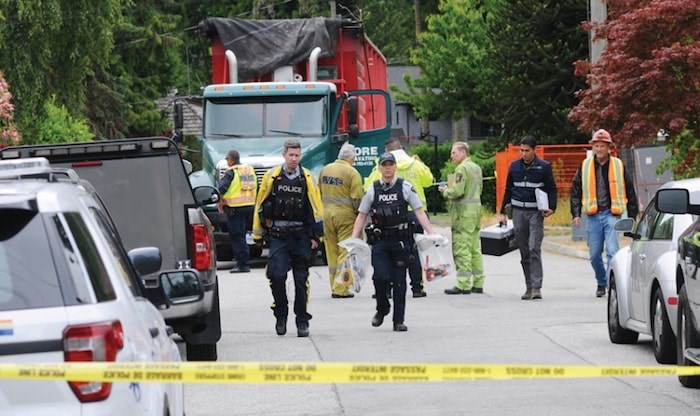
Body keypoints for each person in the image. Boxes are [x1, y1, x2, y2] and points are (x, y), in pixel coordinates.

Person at [352, 153, 437, 332]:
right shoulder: (373, 189)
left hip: (400, 241)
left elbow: (419, 212)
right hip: (381, 241)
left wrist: (432, 234)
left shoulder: (405, 187)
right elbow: (362, 215)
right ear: (380, 168)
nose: (388, 168)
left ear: (395, 167)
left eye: (391, 164)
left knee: (399, 282)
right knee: (380, 277)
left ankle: (399, 320)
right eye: (384, 165)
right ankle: (382, 308)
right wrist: (354, 239)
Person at [252, 139, 323, 337]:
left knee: (301, 281)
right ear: (284, 155)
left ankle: (302, 320)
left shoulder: (308, 177)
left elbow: (316, 208)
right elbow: (260, 204)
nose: (294, 159)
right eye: (291, 155)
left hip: (301, 237)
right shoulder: (272, 177)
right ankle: (280, 314)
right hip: (278, 237)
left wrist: (316, 236)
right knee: (276, 276)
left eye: (297, 155)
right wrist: (257, 233)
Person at [571, 129, 638, 297]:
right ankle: (601, 281)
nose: (599, 149)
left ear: (609, 147)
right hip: (593, 216)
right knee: (594, 255)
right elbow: (576, 190)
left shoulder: (618, 165)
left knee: (612, 251)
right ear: (592, 147)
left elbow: (630, 191)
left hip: (612, 215)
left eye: (602, 146)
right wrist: (576, 213)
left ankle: (611, 284)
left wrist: (631, 216)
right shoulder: (585, 166)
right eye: (596, 146)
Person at [364, 138, 434, 298]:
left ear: (387, 152)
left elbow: (368, 187)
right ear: (402, 149)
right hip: (415, 214)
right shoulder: (415, 163)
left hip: (389, 217)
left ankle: (387, 289)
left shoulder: (380, 166)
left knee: (389, 252)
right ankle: (417, 287)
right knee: (414, 251)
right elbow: (429, 181)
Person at [499, 136, 557, 300]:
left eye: (527, 150)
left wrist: (551, 207)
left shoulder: (543, 167)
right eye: (521, 150)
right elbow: (508, 189)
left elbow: (552, 188)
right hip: (518, 213)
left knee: (534, 248)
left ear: (534, 150)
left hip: (535, 213)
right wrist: (503, 211)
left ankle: (537, 287)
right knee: (524, 250)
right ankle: (529, 286)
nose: (524, 153)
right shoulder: (514, 167)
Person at [438, 141, 485, 295]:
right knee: (474, 248)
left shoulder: (461, 168)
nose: (451, 155)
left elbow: (457, 191)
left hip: (463, 213)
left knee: (462, 248)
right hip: (475, 211)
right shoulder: (476, 168)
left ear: (464, 152)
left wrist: (445, 191)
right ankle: (478, 282)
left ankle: (463, 284)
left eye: (454, 152)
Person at [319, 143, 364, 298]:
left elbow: (319, 191)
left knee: (331, 251)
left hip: (326, 214)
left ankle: (333, 284)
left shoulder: (325, 170)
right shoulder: (352, 173)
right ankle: (340, 287)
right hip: (345, 217)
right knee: (346, 251)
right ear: (352, 158)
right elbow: (357, 198)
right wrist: (361, 215)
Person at [217, 149, 257, 273]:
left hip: (236, 208)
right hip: (250, 207)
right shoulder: (249, 170)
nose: (227, 161)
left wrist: (219, 201)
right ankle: (244, 261)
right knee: (244, 236)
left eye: (227, 159)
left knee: (237, 237)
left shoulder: (231, 172)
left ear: (231, 159)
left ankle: (243, 264)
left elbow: (221, 188)